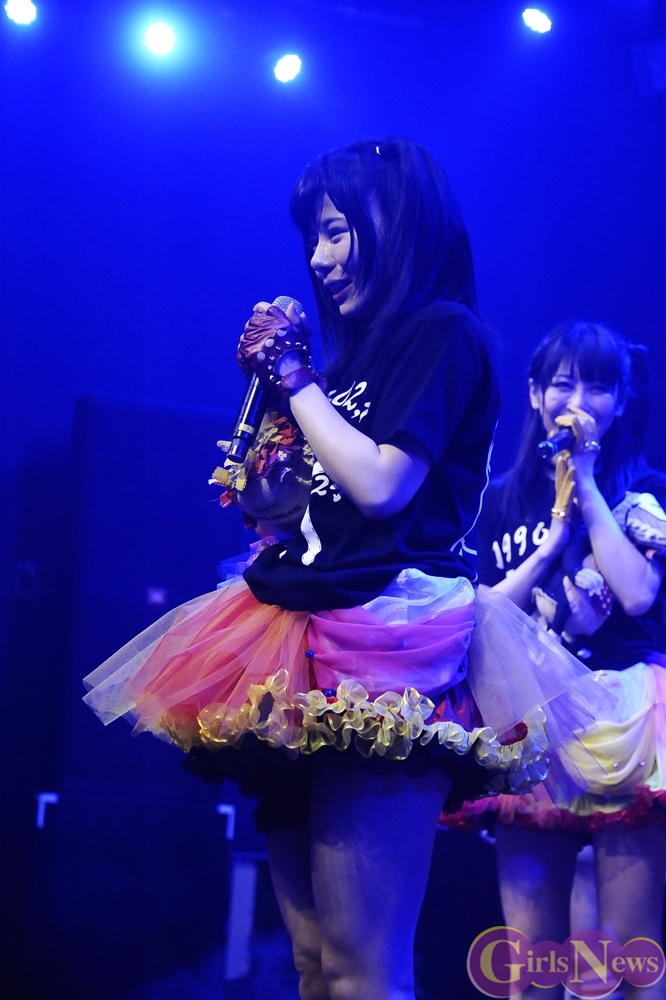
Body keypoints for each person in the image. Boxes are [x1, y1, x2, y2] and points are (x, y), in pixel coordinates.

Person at [82, 141, 609, 1000]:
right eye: (312, 240)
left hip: (387, 640)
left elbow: (383, 483)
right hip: (301, 626)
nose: (321, 260)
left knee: (364, 964)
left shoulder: (444, 334)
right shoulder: (355, 358)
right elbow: (308, 502)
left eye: (336, 232)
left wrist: (294, 377)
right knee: (314, 963)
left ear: (397, 223)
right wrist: (272, 477)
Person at [446, 320, 666, 1000]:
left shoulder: (645, 491)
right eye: (563, 383)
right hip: (534, 721)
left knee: (633, 958)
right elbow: (478, 616)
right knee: (532, 963)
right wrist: (548, 549)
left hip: (624, 714)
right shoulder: (498, 499)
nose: (578, 400)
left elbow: (638, 593)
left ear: (621, 401)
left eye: (598, 386)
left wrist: (588, 484)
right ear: (536, 393)